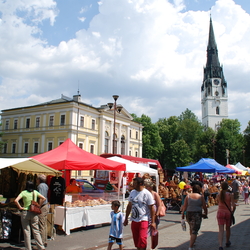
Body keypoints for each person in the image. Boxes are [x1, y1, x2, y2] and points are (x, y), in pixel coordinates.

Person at [124, 177, 156, 250]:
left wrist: (153, 222)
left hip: (143, 219)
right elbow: (129, 206)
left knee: (142, 239)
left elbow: (152, 208)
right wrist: (126, 218)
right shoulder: (132, 192)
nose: (133, 185)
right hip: (134, 220)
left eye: (135, 184)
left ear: (140, 184)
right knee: (136, 240)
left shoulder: (147, 193)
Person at [14, 181, 46, 250]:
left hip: (25, 212)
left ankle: (28, 248)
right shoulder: (35, 192)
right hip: (34, 213)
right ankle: (41, 246)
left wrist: (20, 207)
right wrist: (39, 206)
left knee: (27, 232)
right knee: (36, 230)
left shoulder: (23, 192)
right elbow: (44, 198)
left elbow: (16, 200)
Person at [181, 181, 208, 250]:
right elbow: (205, 207)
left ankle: (192, 241)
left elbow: (184, 206)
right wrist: (205, 213)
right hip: (197, 214)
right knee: (195, 230)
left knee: (191, 227)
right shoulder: (201, 197)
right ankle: (191, 246)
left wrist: (183, 214)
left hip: (189, 213)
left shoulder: (188, 196)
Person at [216, 181, 236, 250]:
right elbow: (234, 205)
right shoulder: (230, 195)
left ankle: (220, 245)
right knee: (228, 229)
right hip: (228, 213)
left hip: (220, 212)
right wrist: (232, 212)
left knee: (221, 230)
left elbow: (218, 202)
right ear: (227, 187)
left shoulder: (218, 195)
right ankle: (227, 242)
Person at [37, 174, 49, 247]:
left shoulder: (40, 186)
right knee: (44, 224)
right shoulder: (46, 185)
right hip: (45, 205)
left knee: (41, 224)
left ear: (39, 180)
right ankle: (44, 240)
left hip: (42, 206)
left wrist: (38, 205)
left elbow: (41, 198)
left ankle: (41, 243)